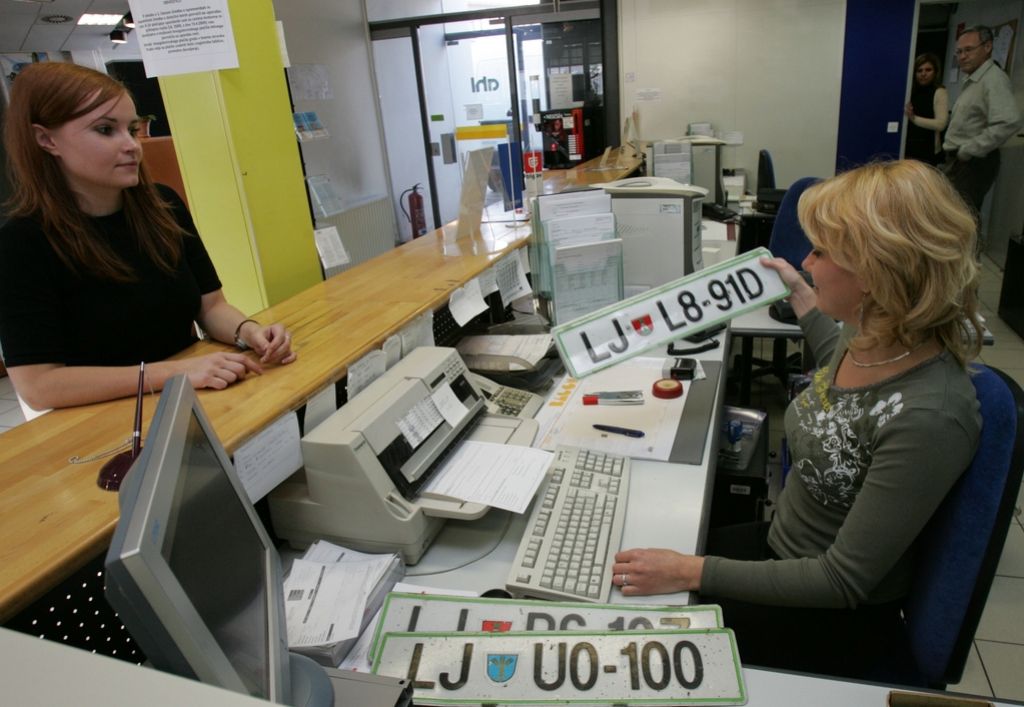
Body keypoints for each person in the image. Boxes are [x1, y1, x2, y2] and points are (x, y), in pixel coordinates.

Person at [611, 160, 984, 678]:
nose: (806, 260)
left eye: (821, 251)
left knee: (629, 639)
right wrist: (802, 296)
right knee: (623, 559)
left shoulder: (930, 417)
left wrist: (690, 571)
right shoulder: (879, 335)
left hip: (827, 614)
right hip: (783, 548)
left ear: (875, 272)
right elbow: (840, 370)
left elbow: (840, 580)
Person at [0, 62, 296, 415]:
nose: (132, 146)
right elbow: (39, 386)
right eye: (106, 130)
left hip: (195, 401)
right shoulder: (21, 243)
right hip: (104, 419)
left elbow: (211, 306)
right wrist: (173, 374)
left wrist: (248, 332)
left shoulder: (164, 205)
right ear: (47, 140)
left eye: (132, 129)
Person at [942, 25, 1022, 220]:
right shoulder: (974, 79)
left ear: (987, 47)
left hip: (973, 163)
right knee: (954, 216)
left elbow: (1009, 121)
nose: (962, 56)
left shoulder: (993, 79)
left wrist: (970, 149)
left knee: (962, 219)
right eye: (959, 52)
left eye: (969, 50)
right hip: (960, 162)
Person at [904, 53, 948, 165]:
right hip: (909, 147)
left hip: (928, 150)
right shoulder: (910, 91)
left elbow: (941, 124)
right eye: (919, 70)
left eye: (928, 70)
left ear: (935, 72)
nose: (923, 74)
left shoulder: (939, 92)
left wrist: (914, 119)